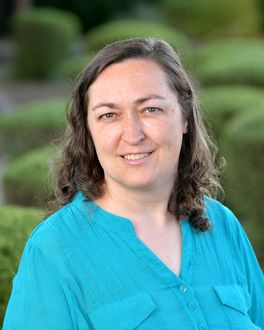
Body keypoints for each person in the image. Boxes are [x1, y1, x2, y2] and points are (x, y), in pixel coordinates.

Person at [3, 37, 264, 330]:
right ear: (88, 132)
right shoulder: (54, 250)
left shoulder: (223, 226)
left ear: (185, 117)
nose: (133, 133)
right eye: (109, 115)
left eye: (150, 109)